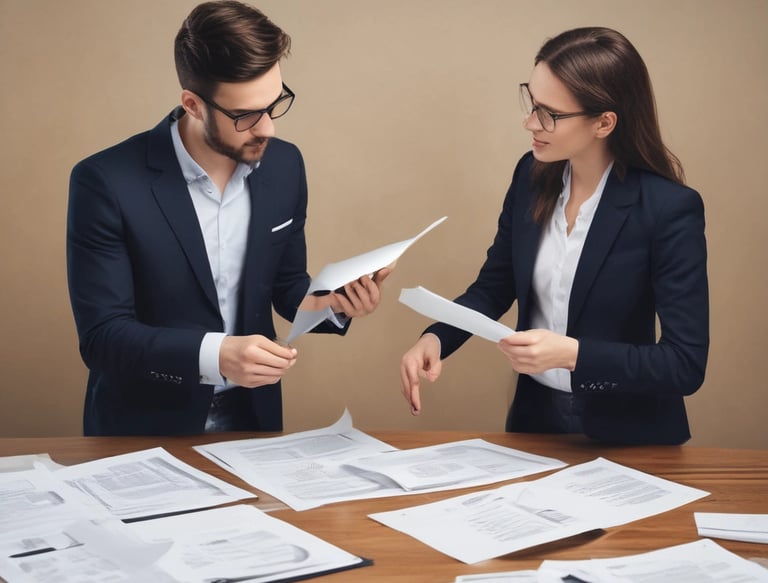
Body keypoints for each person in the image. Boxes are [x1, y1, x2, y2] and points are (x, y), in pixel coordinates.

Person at [67, 1, 388, 436]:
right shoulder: (105, 181)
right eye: (246, 115)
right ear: (193, 105)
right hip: (142, 427)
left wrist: (333, 304)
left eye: (275, 104)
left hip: (253, 421)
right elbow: (103, 338)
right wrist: (215, 355)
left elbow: (287, 285)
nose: (268, 128)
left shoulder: (285, 166)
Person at [400, 27, 708, 445]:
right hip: (536, 423)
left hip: (634, 437)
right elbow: (494, 286)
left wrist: (573, 354)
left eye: (550, 114)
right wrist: (436, 336)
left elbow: (683, 364)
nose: (530, 123)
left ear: (604, 122)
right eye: (532, 102)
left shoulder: (668, 208)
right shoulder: (530, 175)